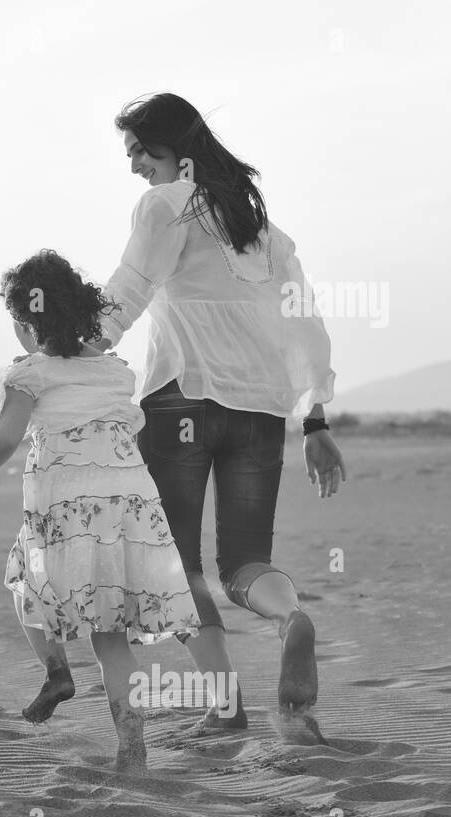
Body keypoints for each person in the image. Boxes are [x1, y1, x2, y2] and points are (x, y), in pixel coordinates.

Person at [94, 92, 345, 743]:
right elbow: (305, 324)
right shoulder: (262, 228)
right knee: (243, 564)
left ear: (172, 149)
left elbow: (125, 293)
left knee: (178, 567)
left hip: (184, 397)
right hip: (262, 408)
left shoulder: (164, 204)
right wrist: (314, 420)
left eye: (138, 152)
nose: (133, 167)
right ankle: (291, 620)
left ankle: (227, 709)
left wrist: (66, 355)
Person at [0, 251, 200, 773]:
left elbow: (4, 438)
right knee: (111, 636)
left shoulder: (30, 372)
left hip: (64, 504)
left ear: (25, 323)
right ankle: (132, 750)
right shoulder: (113, 370)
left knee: (26, 582)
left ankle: (56, 670)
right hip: (131, 508)